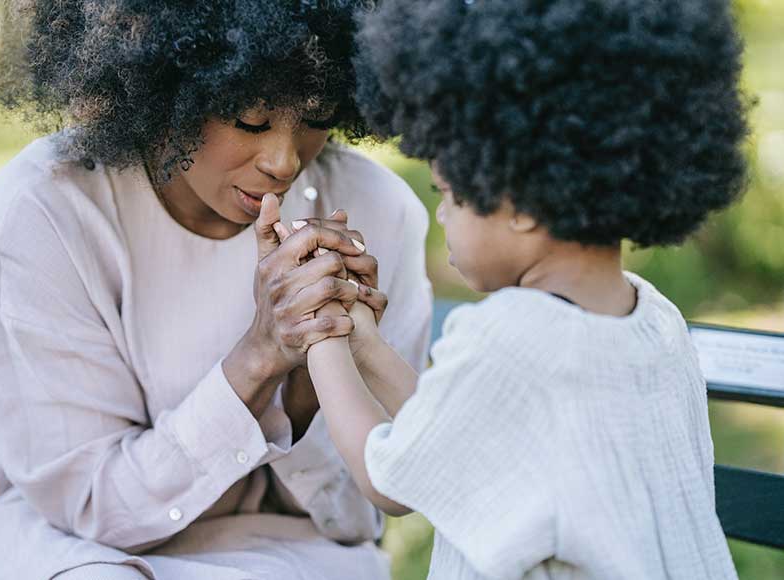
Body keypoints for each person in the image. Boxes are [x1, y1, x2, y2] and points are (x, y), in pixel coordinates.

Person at [0, 2, 432, 579]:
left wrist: (313, 387)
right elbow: (88, 504)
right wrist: (260, 357)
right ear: (167, 85)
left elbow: (359, 513)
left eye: (316, 115)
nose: (284, 161)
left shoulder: (381, 213)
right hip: (57, 543)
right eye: (250, 119)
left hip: (286, 547)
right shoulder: (47, 207)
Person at [299, 0, 749, 578]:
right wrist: (365, 342)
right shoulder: (657, 321)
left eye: (448, 195)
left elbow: (389, 481)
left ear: (519, 207)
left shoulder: (510, 335)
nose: (443, 219)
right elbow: (461, 442)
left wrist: (322, 337)